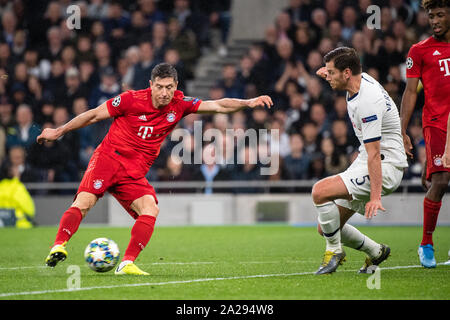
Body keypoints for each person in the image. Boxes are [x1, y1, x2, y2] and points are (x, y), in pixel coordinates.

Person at [38, 63, 273, 275]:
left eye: (169, 87)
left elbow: (219, 106)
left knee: (150, 208)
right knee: (85, 202)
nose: (164, 93)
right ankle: (59, 245)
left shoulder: (179, 104)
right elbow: (93, 115)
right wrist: (58, 131)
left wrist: (248, 102)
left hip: (133, 172)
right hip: (109, 158)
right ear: (150, 85)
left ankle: (126, 263)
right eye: (159, 87)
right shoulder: (129, 100)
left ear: (176, 86)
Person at [313, 47, 408, 275]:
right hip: (371, 159)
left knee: (319, 191)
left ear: (347, 73)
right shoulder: (358, 77)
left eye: (331, 73)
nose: (328, 77)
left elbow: (374, 153)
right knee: (326, 227)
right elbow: (333, 71)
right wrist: (326, 71)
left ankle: (334, 252)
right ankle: (376, 251)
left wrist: (375, 196)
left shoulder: (367, 102)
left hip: (384, 166)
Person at [400, 0, 450, 269]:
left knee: (438, 179)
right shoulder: (420, 50)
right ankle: (426, 243)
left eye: (440, 15)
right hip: (436, 122)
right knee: (441, 182)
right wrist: (402, 129)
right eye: (431, 16)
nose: (434, 20)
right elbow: (410, 92)